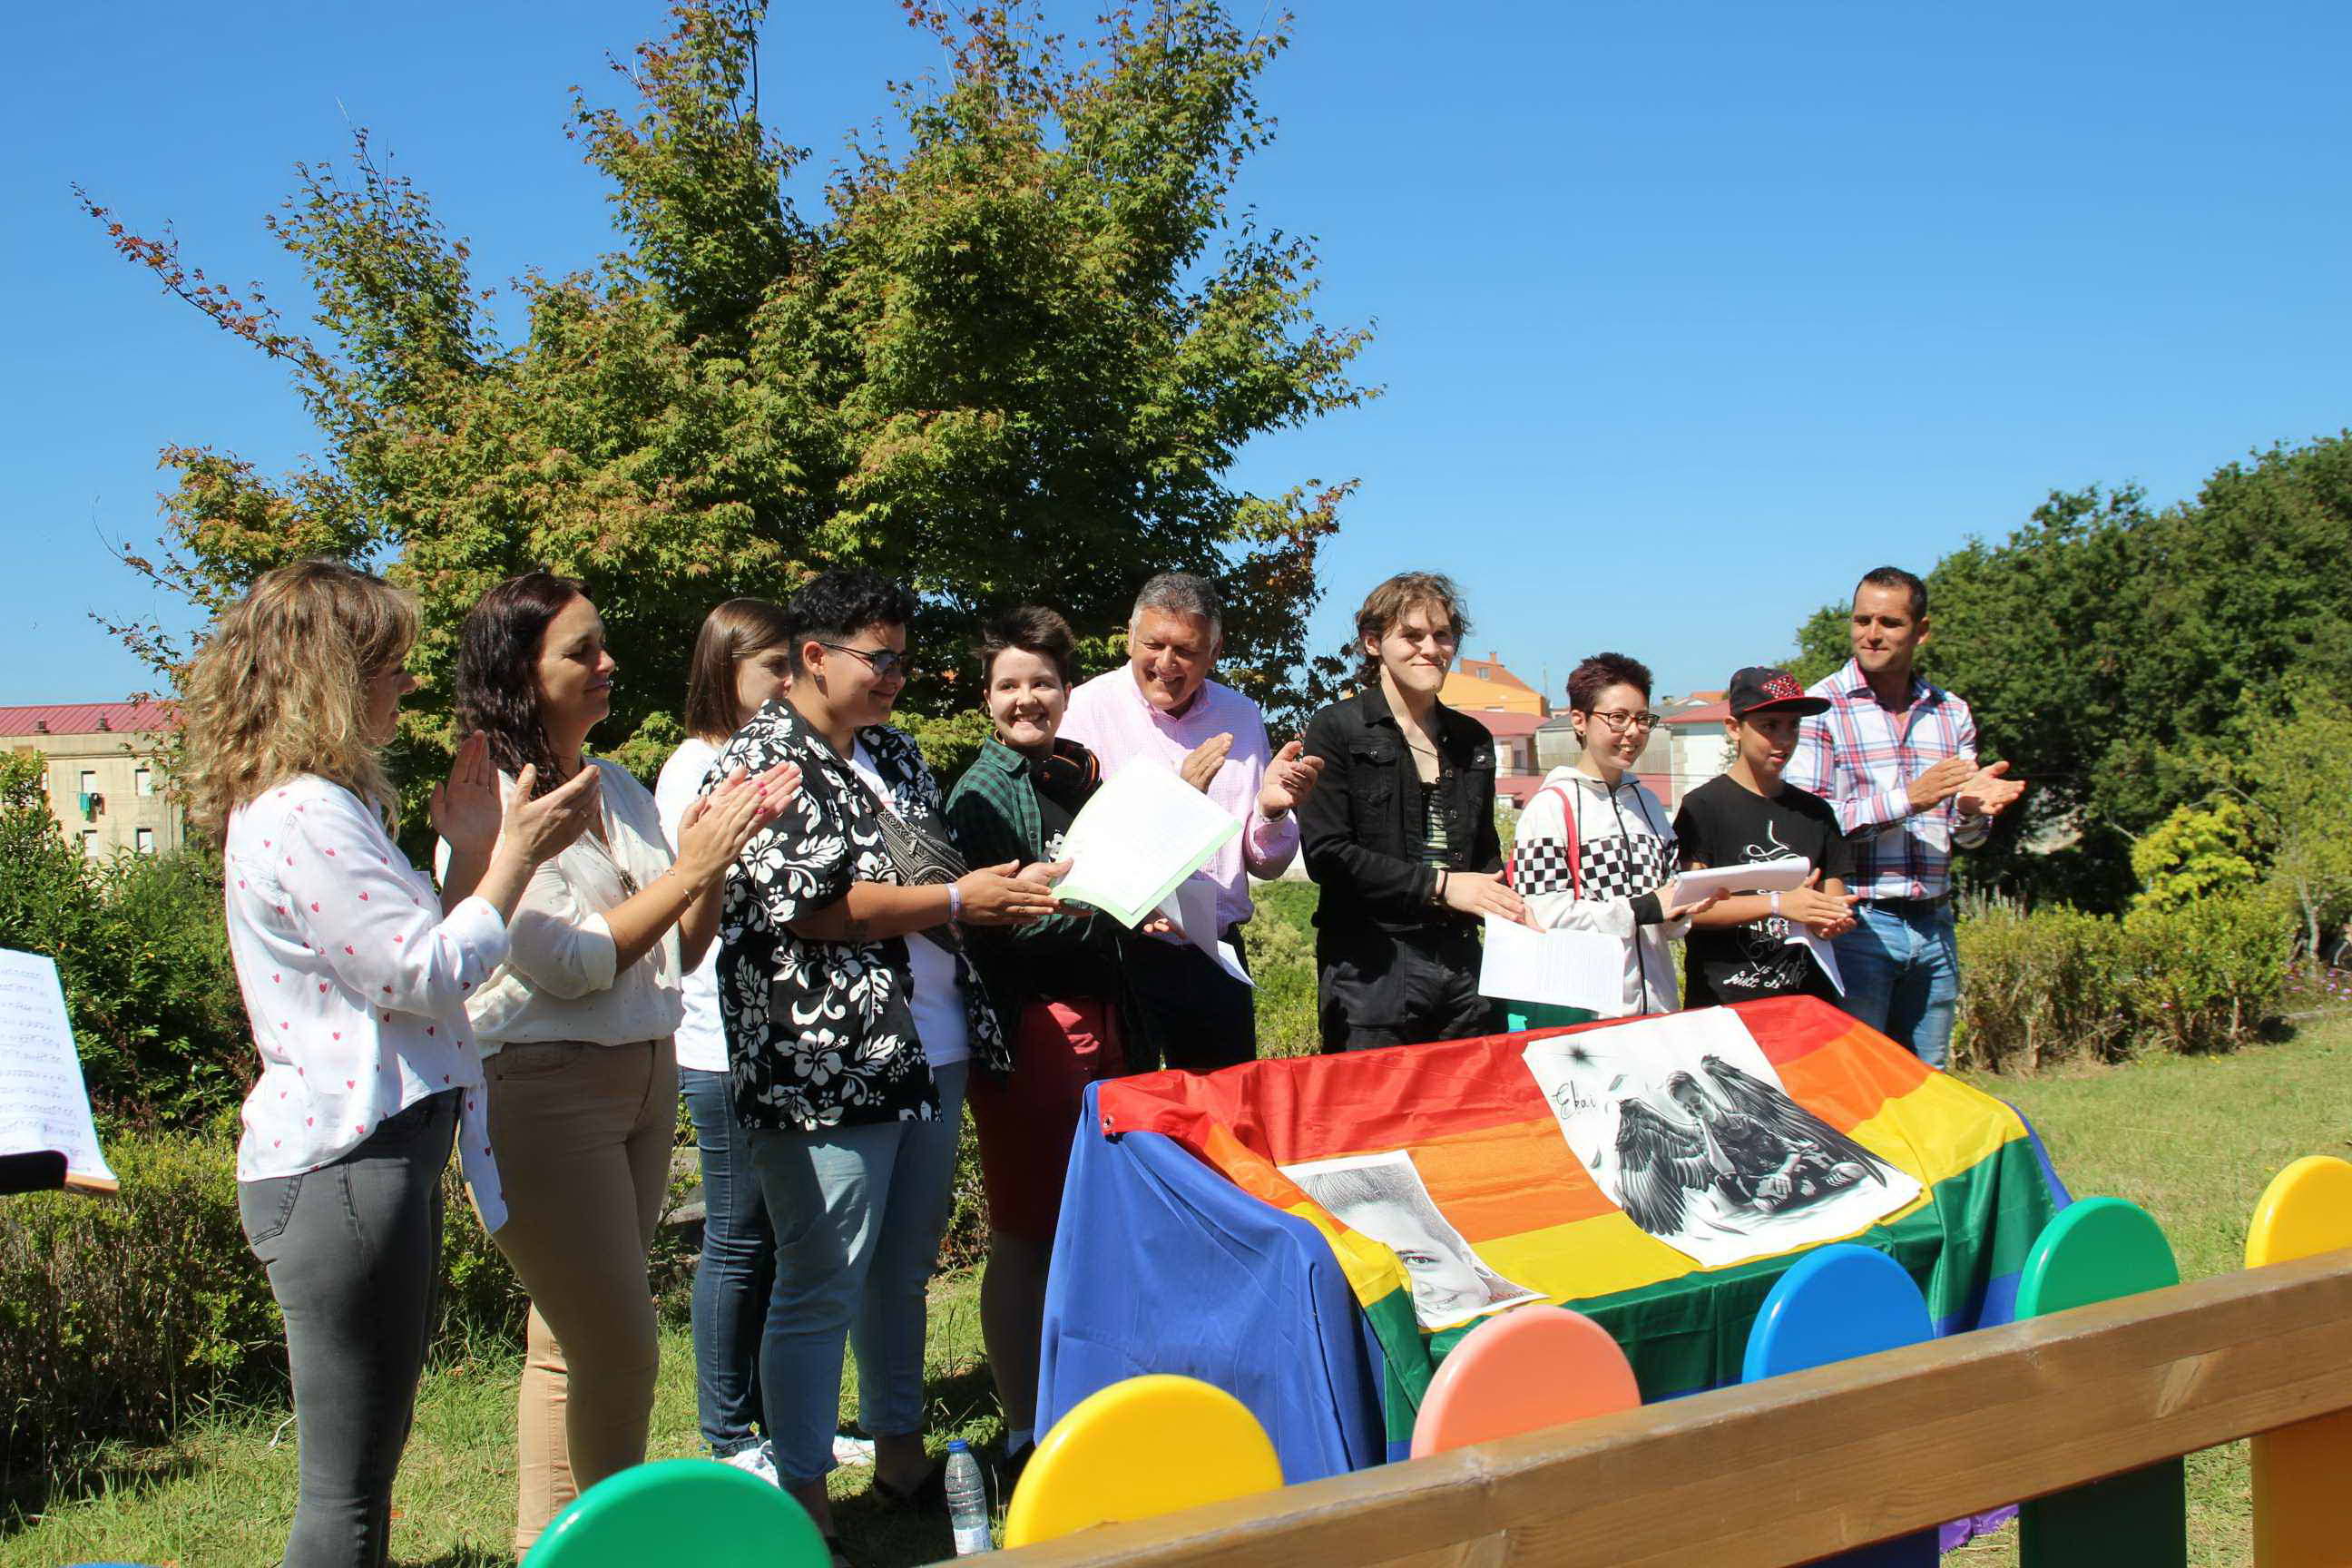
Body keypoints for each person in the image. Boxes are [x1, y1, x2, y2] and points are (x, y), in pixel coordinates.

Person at [180, 559, 602, 1568]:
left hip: (363, 1163)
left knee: (362, 1481)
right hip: (344, 1167)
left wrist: (465, 853)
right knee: (348, 1496)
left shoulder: (317, 805)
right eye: (391, 669)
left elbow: (409, 954)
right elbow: (419, 974)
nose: (407, 690)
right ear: (332, 676)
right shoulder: (305, 814)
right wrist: (514, 862)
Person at [706, 568, 1058, 1548]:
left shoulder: (895, 750)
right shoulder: (761, 760)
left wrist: (1009, 887)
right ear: (813, 655)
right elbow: (804, 907)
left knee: (901, 1271)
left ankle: (900, 1452)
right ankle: (806, 1496)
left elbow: (935, 873)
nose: (898, 675)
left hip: (932, 1045)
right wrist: (958, 903)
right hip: (824, 1059)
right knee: (820, 1282)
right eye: (880, 657)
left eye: (905, 655)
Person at [446, 573, 795, 1553]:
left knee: (567, 1343)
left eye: (602, 646)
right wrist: (689, 868)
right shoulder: (491, 810)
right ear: (521, 671)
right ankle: (618, 1547)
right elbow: (571, 962)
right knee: (621, 1347)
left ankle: (549, 1547)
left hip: (640, 1076)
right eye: (581, 652)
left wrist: (712, 862)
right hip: (543, 1088)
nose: (608, 666)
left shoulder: (618, 785)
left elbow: (679, 949)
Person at [944, 604, 1138, 1478]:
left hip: (1106, 1017)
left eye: (1044, 683)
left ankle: (1094, 1399)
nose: (1028, 699)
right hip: (1029, 1026)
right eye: (1009, 684)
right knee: (1025, 1231)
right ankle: (1024, 1424)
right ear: (986, 696)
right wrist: (1108, 911)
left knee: (1096, 1220)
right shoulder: (977, 794)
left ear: (1067, 690)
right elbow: (997, 928)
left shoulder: (1075, 775)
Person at [1060, 571, 1324, 1069]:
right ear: (1130, 634)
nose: (1165, 664)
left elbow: (1265, 865)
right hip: (1120, 952)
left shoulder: (1241, 715)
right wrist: (1173, 805)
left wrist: (1271, 809)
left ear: (1215, 650)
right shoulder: (1085, 711)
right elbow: (1072, 852)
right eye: (1153, 644)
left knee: (1224, 1123)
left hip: (1215, 957)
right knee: (1129, 1123)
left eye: (1185, 650)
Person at [654, 598, 798, 1482]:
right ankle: (730, 1435)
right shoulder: (696, 770)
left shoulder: (761, 758)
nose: (787, 683)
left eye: (792, 666)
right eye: (771, 669)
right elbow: (691, 907)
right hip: (719, 1039)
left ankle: (772, 1426)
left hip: (774, 1031)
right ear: (723, 670)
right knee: (739, 1235)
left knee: (777, 1235)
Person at [1787, 567, 2027, 1066]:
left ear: (1921, 631)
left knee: (1930, 1081)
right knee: (1859, 1083)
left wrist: (1969, 812)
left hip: (1935, 922)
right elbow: (1810, 825)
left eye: (1890, 623)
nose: (1872, 634)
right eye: (1862, 620)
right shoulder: (1820, 707)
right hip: (1857, 923)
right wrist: (1909, 800)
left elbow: (1970, 838)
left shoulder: (1951, 712)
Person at [1298, 573, 1525, 1051]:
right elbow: (1327, 855)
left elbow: (1484, 852)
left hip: (1463, 962)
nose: (1431, 649)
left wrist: (1515, 904)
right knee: (1375, 1117)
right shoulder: (1335, 729)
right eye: (1413, 635)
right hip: (1371, 967)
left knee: (1469, 1116)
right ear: (1373, 642)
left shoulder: (1472, 739)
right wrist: (1440, 885)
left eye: (1442, 636)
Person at [1501, 652, 1717, 1025]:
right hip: (1584, 1016)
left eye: (1642, 719)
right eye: (1617, 718)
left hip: (1658, 1010)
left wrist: (1684, 907)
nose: (1633, 731)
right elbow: (1544, 914)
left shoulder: (1648, 805)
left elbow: (1664, 917)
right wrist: (1643, 908)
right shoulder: (1551, 807)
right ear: (1580, 721)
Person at [1674, 667, 1860, 1009]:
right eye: (1769, 726)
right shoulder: (1701, 808)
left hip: (1805, 1006)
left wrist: (1831, 919)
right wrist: (1779, 904)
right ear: (1734, 728)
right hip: (1724, 1004)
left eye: (1793, 726)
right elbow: (1689, 910)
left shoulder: (1816, 812)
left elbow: (1834, 899)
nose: (1784, 739)